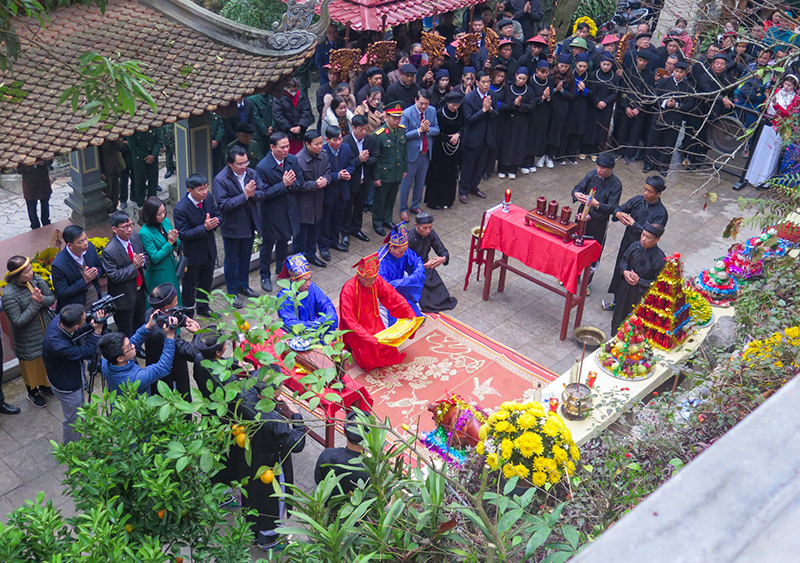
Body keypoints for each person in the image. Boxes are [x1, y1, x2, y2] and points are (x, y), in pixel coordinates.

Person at [239, 382, 306, 551]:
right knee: (275, 502)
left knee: (252, 497)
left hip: (249, 459)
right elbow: (297, 443)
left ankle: (254, 531)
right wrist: (296, 416)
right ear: (274, 392)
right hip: (271, 465)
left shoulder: (245, 399)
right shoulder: (274, 422)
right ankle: (268, 541)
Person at [339, 252, 417, 371]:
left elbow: (392, 296)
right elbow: (347, 318)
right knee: (369, 358)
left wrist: (408, 313)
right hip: (357, 326)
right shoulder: (348, 290)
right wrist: (365, 336)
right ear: (359, 276)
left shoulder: (376, 281)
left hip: (374, 319)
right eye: (369, 279)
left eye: (374, 278)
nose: (372, 282)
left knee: (388, 351)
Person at [42, 303, 105, 443]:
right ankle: (71, 448)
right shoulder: (58, 344)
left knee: (78, 411)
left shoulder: (61, 319)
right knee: (73, 418)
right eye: (85, 319)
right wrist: (97, 332)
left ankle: (80, 434)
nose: (87, 319)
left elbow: (78, 331)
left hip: (67, 373)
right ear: (76, 326)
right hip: (67, 385)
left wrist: (92, 325)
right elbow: (87, 352)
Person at [213, 145, 266, 308]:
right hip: (232, 226)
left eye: (246, 162)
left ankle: (244, 285)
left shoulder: (252, 173)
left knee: (245, 258)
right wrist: (245, 195)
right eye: (240, 164)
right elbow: (224, 204)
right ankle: (232, 292)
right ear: (230, 164)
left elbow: (263, 192)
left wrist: (253, 194)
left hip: (249, 223)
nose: (244, 167)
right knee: (231, 260)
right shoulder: (221, 180)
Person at [604, 176, 668, 309]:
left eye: (650, 191)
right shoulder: (638, 200)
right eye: (645, 189)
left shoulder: (661, 213)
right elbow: (619, 208)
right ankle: (617, 302)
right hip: (628, 243)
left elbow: (653, 232)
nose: (645, 193)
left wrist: (634, 225)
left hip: (646, 250)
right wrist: (618, 214)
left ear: (658, 194)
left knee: (638, 277)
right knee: (621, 270)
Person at [2, 255, 56, 407]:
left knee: (44, 362)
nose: (31, 273)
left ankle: (45, 386)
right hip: (27, 339)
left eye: (31, 269)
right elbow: (18, 321)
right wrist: (35, 303)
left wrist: (40, 301)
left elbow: (50, 299)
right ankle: (32, 393)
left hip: (44, 331)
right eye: (26, 272)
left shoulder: (37, 280)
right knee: (31, 367)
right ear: (16, 275)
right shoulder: (9, 295)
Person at [255, 133, 302, 293]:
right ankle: (264, 275)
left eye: (287, 146)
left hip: (289, 209)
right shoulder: (263, 167)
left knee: (284, 241)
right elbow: (263, 194)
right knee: (267, 246)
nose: (286, 149)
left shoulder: (292, 160)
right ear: (272, 147)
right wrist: (284, 185)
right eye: (282, 147)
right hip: (271, 212)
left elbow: (300, 183)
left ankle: (281, 270)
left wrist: (290, 185)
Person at [571, 153, 623, 291]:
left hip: (598, 222)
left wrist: (597, 204)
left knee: (594, 251)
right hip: (582, 218)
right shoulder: (591, 175)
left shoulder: (616, 184)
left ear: (611, 169)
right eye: (598, 166)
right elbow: (578, 187)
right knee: (576, 245)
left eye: (603, 168)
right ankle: (573, 276)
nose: (599, 170)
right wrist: (576, 194)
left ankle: (587, 283)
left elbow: (612, 207)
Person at [141, 283, 201, 397]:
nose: (177, 303)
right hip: (171, 376)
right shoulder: (163, 333)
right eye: (175, 302)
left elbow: (172, 313)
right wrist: (197, 334)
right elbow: (192, 353)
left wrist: (184, 319)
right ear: (167, 307)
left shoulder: (150, 315)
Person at [98, 311, 176, 396]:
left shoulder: (106, 361)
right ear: (120, 359)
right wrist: (170, 337)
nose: (134, 345)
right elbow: (163, 367)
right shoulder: (135, 379)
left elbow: (132, 342)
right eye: (130, 347)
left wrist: (148, 326)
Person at [173, 173, 219, 316]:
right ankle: (188, 313)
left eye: (206, 188)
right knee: (189, 287)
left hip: (209, 250)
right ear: (190, 190)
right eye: (200, 190)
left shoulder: (209, 198)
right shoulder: (181, 208)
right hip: (192, 255)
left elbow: (218, 214)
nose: (205, 192)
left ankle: (203, 307)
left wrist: (215, 222)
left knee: (206, 282)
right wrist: (204, 228)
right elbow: (183, 234)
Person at [610, 222, 666, 332]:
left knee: (634, 324)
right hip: (624, 289)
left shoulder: (659, 259)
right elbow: (624, 260)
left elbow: (659, 284)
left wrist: (640, 281)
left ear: (657, 240)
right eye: (643, 235)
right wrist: (625, 271)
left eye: (648, 237)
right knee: (618, 316)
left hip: (640, 295)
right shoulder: (635, 245)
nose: (644, 239)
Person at [644, 61, 695, 174]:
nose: (677, 74)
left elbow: (689, 105)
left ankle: (663, 166)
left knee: (669, 143)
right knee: (653, 141)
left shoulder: (688, 88)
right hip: (660, 116)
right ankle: (649, 164)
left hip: (674, 119)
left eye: (681, 72)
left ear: (685, 73)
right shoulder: (663, 82)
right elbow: (655, 98)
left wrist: (676, 105)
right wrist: (666, 102)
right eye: (676, 71)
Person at [103, 211, 148, 337]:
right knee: (126, 328)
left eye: (131, 225)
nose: (129, 229)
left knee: (140, 322)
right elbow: (114, 276)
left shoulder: (135, 237)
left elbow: (144, 255)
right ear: (115, 229)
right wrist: (134, 267)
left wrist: (143, 262)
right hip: (124, 297)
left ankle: (138, 348)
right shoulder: (110, 251)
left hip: (139, 290)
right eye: (125, 227)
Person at [399, 90, 439, 221]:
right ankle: (403, 208)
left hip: (425, 152)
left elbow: (437, 129)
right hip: (411, 154)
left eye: (426, 104)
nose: (424, 106)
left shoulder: (432, 111)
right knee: (406, 183)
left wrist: (427, 130)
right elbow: (403, 135)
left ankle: (415, 205)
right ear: (416, 100)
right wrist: (419, 131)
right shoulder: (406, 113)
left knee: (420, 182)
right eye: (421, 103)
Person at [295, 130, 333, 267]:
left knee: (314, 231)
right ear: (307, 144)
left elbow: (328, 172)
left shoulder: (323, 155)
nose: (320, 146)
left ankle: (311, 255)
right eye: (316, 144)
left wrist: (326, 180)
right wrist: (314, 184)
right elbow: (296, 184)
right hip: (303, 204)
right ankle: (298, 262)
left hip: (318, 201)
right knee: (301, 236)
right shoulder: (298, 160)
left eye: (321, 143)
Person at [407, 213, 457, 312]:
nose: (427, 231)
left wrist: (443, 258)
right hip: (414, 271)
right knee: (425, 301)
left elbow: (442, 250)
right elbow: (406, 264)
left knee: (442, 296)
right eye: (424, 228)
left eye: (430, 227)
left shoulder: (431, 233)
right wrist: (423, 266)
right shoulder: (410, 239)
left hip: (427, 266)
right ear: (416, 225)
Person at [277, 254, 338, 336]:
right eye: (305, 280)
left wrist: (326, 318)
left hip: (314, 329)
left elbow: (326, 304)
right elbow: (291, 324)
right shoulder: (284, 297)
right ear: (294, 281)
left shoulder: (312, 287)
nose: (309, 284)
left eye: (310, 279)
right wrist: (319, 323)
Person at [371, 102, 408, 236]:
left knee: (391, 198)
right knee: (380, 200)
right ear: (386, 117)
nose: (397, 121)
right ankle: (377, 223)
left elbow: (403, 151)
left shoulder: (402, 130)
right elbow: (375, 159)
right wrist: (376, 177)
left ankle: (387, 219)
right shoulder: (379, 135)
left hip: (396, 171)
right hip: (384, 173)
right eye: (394, 118)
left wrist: (404, 169)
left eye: (399, 118)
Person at [458, 71, 496, 204]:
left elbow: (497, 114)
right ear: (477, 83)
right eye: (483, 82)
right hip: (472, 138)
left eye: (488, 82)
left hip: (486, 137)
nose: (486, 85)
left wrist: (490, 110)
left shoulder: (492, 95)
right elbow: (468, 120)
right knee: (468, 166)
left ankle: (474, 186)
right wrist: (483, 110)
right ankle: (463, 190)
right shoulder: (469, 99)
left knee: (480, 165)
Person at [314, 409, 370, 496]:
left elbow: (318, 480)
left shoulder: (328, 455)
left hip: (328, 504)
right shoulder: (371, 469)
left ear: (344, 432)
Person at [318, 126, 354, 261]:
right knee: (325, 221)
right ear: (327, 140)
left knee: (337, 219)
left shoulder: (346, 148)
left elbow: (351, 163)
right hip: (328, 192)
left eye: (340, 138)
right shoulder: (323, 152)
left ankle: (334, 241)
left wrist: (348, 172)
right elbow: (322, 173)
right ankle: (323, 246)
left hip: (342, 191)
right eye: (335, 140)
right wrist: (337, 175)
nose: (338, 142)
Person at [614, 50, 655, 165]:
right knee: (623, 129)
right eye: (640, 60)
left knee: (635, 132)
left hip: (639, 109)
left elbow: (649, 94)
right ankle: (619, 151)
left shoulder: (650, 75)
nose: (641, 63)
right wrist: (626, 107)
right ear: (636, 59)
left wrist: (638, 108)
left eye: (644, 61)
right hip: (627, 106)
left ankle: (630, 154)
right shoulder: (629, 71)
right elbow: (623, 91)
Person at [378, 223, 425, 323]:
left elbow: (417, 262)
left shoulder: (403, 251)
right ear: (391, 246)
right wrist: (407, 281)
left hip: (401, 285)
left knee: (415, 318)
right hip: (386, 294)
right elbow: (384, 286)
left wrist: (415, 275)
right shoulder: (381, 262)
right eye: (400, 252)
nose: (403, 254)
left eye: (404, 251)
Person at [138, 196, 182, 304]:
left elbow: (177, 242)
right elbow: (155, 257)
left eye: (164, 212)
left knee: (176, 297)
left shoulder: (165, 221)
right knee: (165, 301)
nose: (163, 215)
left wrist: (175, 240)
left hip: (171, 266)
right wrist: (170, 243)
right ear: (151, 214)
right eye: (159, 214)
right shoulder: (145, 232)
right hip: (159, 273)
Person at [341, 114, 377, 245]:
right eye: (360, 129)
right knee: (347, 208)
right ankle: (345, 232)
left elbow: (375, 157)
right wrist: (358, 160)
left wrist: (366, 160)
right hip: (350, 182)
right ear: (353, 128)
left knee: (359, 207)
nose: (363, 132)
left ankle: (356, 229)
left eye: (365, 128)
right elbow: (344, 163)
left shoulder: (370, 140)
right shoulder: (345, 142)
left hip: (364, 181)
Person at [425, 91, 464, 209]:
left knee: (451, 173)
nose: (455, 107)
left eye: (457, 105)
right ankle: (435, 201)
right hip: (441, 147)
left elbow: (464, 125)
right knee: (438, 174)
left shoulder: (459, 112)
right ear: (447, 103)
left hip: (454, 147)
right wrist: (448, 138)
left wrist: (458, 134)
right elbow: (435, 131)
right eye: (452, 105)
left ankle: (448, 199)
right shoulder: (439, 114)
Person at [51, 225, 103, 312]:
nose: (85, 243)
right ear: (70, 245)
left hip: (96, 302)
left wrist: (94, 274)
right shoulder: (59, 264)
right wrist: (84, 280)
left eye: (86, 238)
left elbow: (100, 267)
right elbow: (63, 292)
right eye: (81, 242)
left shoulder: (90, 248)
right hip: (77, 311)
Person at [498, 68, 535, 177]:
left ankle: (513, 169)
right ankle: (502, 168)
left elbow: (532, 106)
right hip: (508, 121)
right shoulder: (508, 88)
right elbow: (506, 104)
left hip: (521, 122)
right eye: (519, 78)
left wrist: (520, 105)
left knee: (518, 145)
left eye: (524, 79)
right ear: (515, 75)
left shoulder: (529, 91)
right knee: (506, 145)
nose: (521, 81)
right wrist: (513, 105)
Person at [583, 53, 619, 157]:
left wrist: (605, 102)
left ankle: (596, 150)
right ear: (600, 63)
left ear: (612, 65)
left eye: (608, 65)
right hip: (593, 105)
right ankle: (585, 149)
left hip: (606, 107)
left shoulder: (615, 77)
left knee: (601, 128)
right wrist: (597, 101)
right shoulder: (593, 74)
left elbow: (615, 92)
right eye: (604, 64)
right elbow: (590, 90)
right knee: (590, 127)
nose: (606, 67)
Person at [273, 78, 315, 155]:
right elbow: (278, 115)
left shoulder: (302, 96)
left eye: (296, 90)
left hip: (299, 135)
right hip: (285, 133)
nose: (294, 93)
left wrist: (300, 126)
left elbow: (307, 112)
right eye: (292, 91)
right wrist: (289, 127)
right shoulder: (279, 98)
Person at [126, 127, 164, 207]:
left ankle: (153, 202)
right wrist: (147, 156)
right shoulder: (133, 130)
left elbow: (158, 142)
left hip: (153, 159)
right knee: (140, 182)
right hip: (139, 160)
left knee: (153, 182)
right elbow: (133, 147)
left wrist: (153, 155)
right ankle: (141, 203)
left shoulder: (154, 127)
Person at [529, 60, 553, 170]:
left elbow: (551, 96)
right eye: (542, 72)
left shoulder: (549, 81)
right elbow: (530, 98)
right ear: (537, 71)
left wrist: (548, 98)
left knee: (543, 133)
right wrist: (542, 98)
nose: (544, 75)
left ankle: (541, 155)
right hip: (534, 112)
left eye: (547, 72)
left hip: (545, 111)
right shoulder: (531, 81)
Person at [17, 159, 52, 230]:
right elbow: (20, 170)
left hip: (43, 183)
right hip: (30, 186)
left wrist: (42, 162)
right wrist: (34, 166)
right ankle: (35, 225)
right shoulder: (21, 156)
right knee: (32, 207)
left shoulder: (42, 151)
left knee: (45, 204)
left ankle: (45, 221)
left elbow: (50, 160)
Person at [98, 138, 126, 212]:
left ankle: (114, 206)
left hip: (116, 165)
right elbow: (98, 156)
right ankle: (108, 208)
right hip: (106, 167)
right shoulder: (100, 140)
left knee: (116, 188)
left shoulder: (114, 137)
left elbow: (120, 145)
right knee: (108, 189)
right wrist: (101, 171)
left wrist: (114, 138)